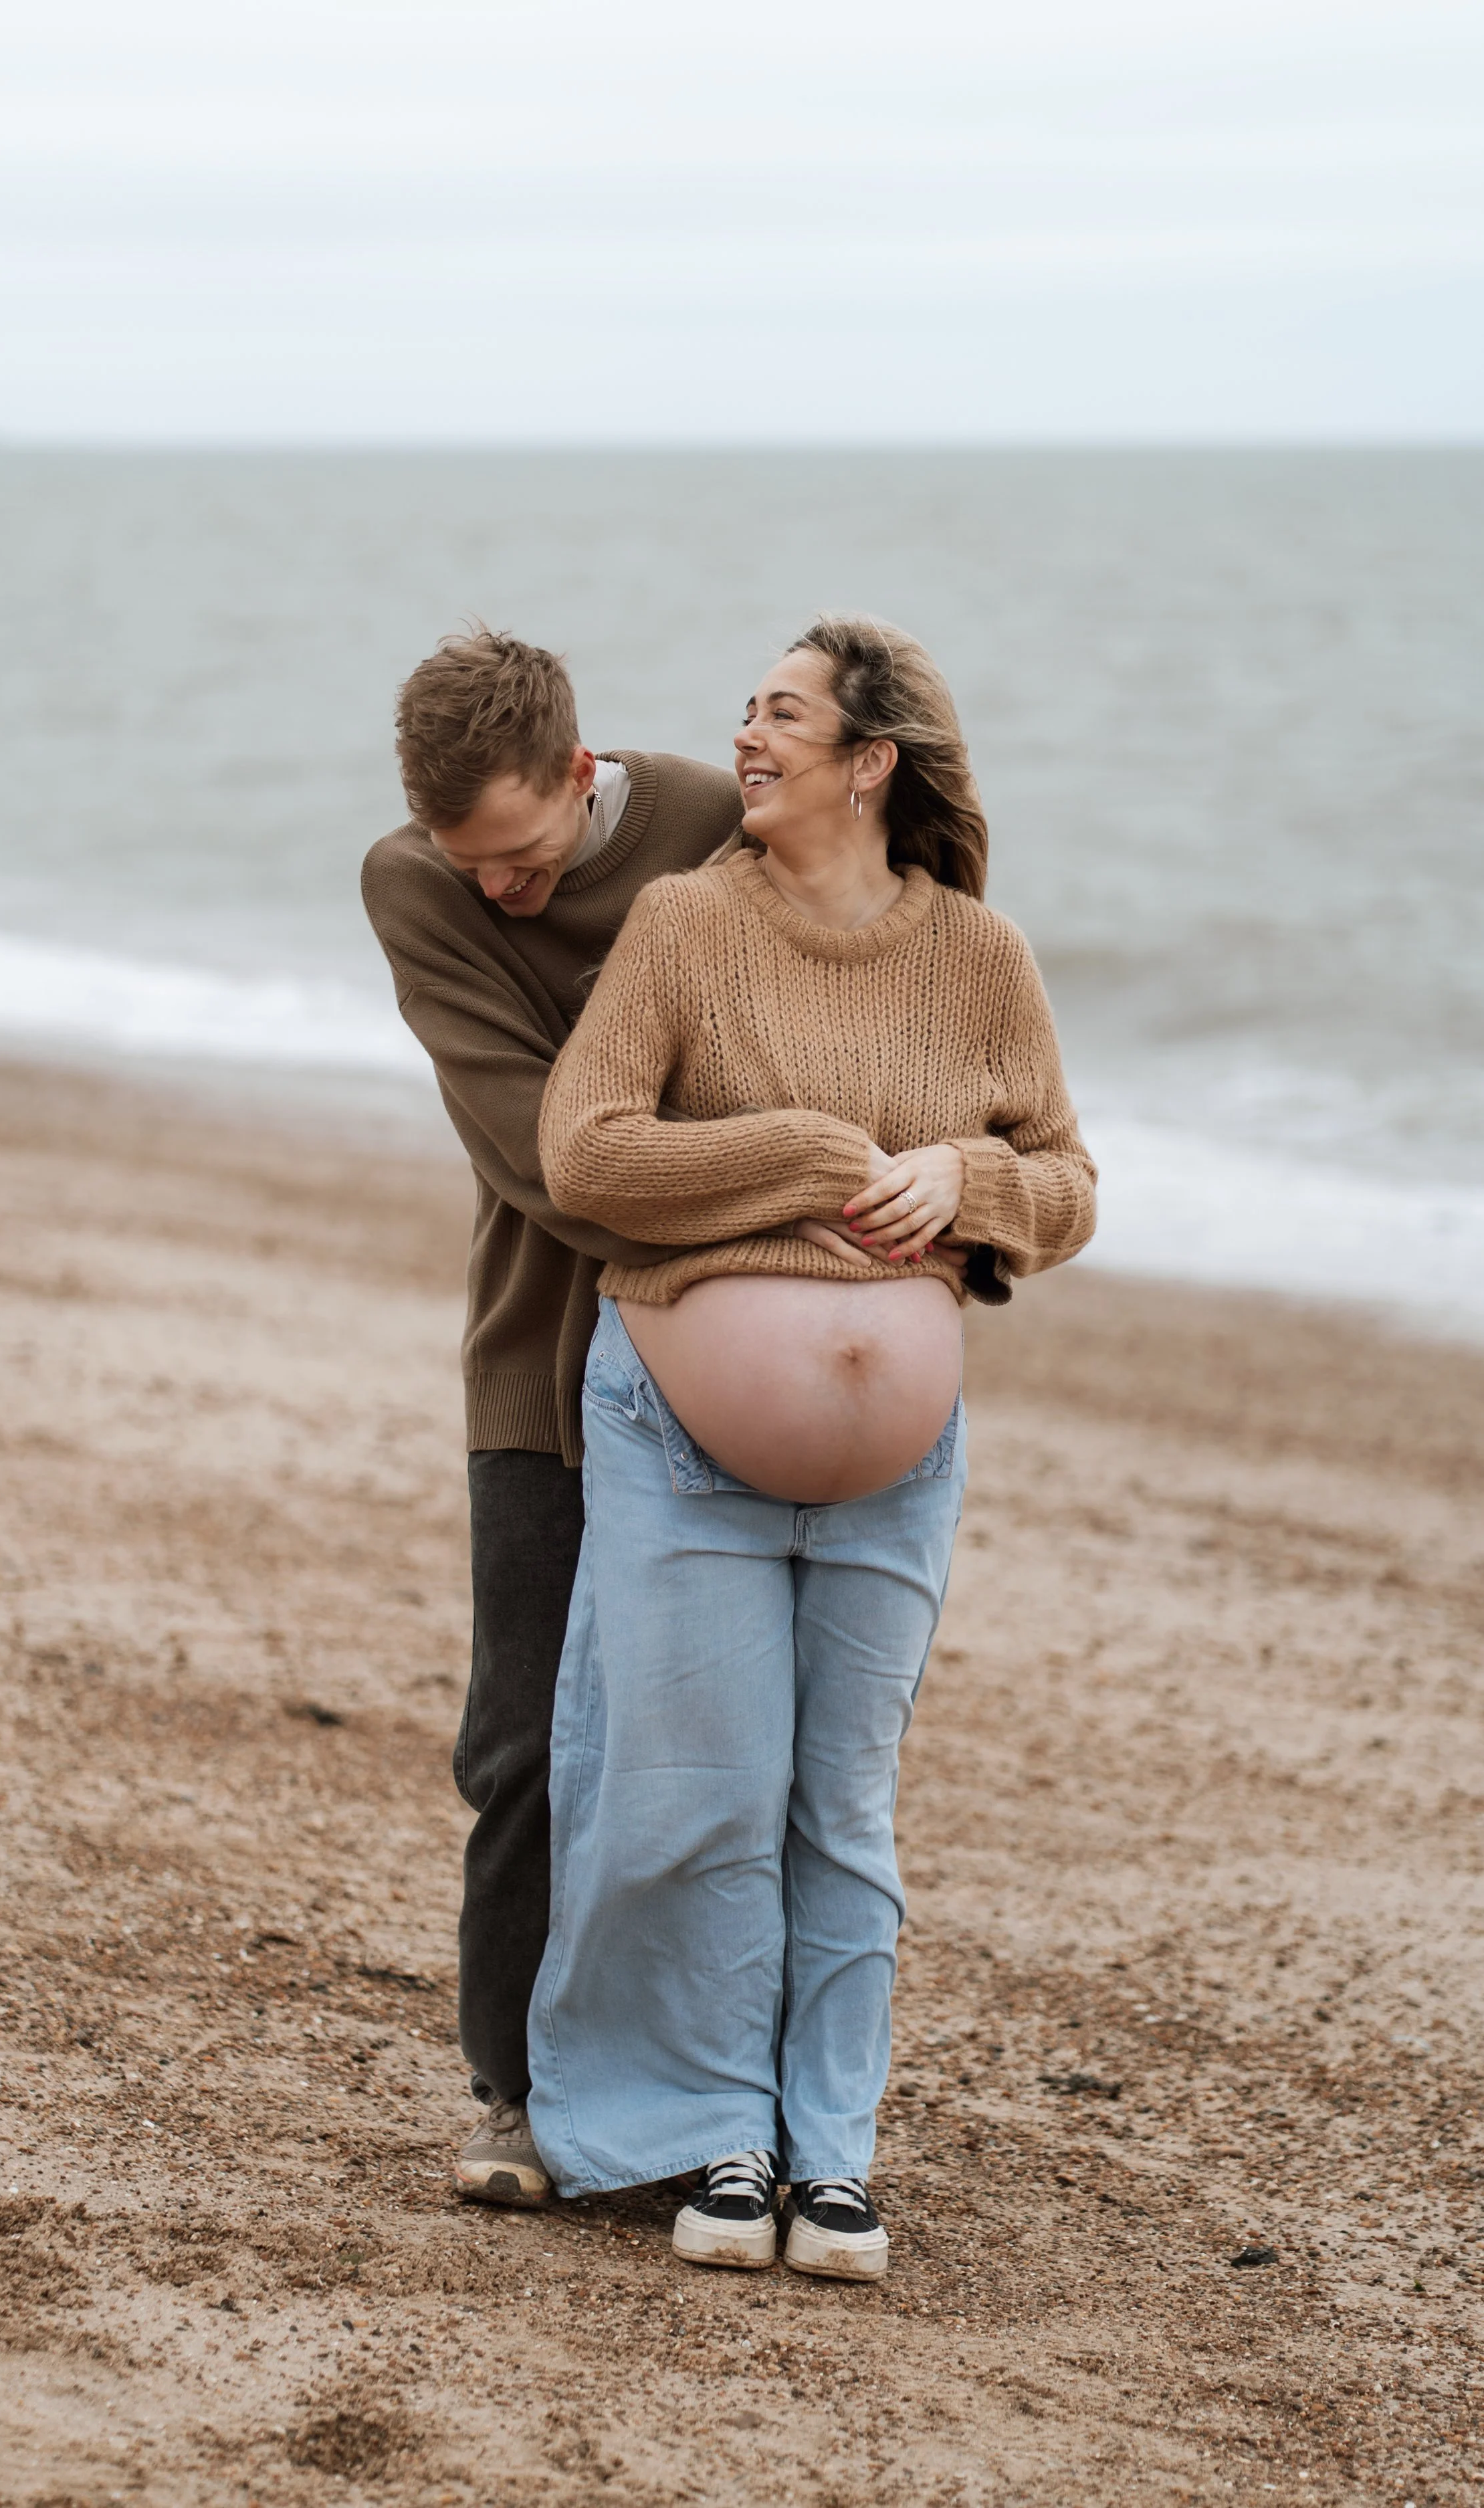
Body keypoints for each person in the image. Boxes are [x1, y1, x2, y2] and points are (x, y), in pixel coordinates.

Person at [526, 614, 1097, 2280]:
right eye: (745, 714)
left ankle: (830, 2157)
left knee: (839, 1812)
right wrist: (810, 1154)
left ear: (871, 761)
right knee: (697, 1799)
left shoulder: (977, 956)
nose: (744, 742)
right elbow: (587, 1154)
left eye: (780, 718)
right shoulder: (684, 924)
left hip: (891, 1468)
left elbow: (1064, 1182)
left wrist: (964, 1187)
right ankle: (713, 2132)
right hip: (680, 1443)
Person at [360, 627, 742, 2208]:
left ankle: (709, 2099)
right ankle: (514, 2093)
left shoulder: (723, 823)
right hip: (538, 1358)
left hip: (721, 1358)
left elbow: (865, 996)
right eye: (476, 867)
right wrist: (784, 1197)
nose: (500, 893)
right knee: (520, 1744)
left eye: (522, 861)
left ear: (582, 779)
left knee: (708, 1751)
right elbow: (549, 1160)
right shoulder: (415, 885)